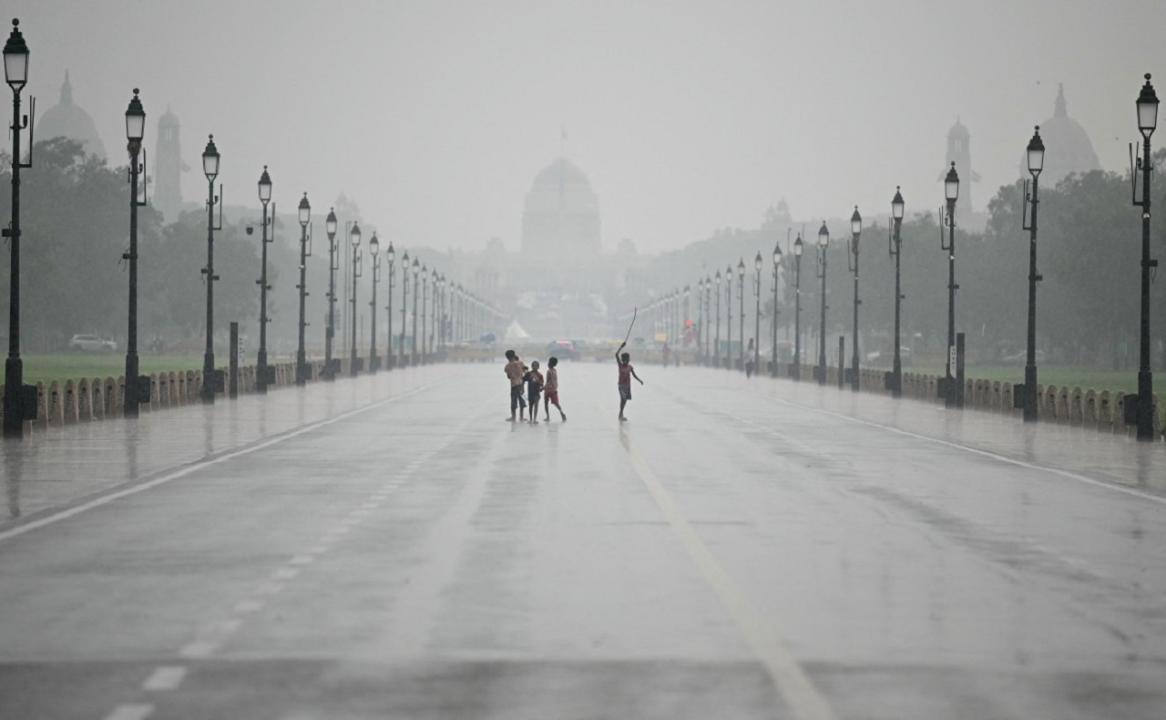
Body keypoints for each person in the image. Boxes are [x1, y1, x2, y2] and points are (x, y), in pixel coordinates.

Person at [615, 342, 644, 422]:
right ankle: (620, 414)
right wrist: (621, 347)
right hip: (621, 386)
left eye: (627, 360)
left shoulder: (630, 367)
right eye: (625, 360)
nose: (626, 361)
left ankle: (621, 413)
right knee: (623, 399)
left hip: (627, 386)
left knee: (624, 400)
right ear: (623, 360)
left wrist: (639, 380)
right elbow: (616, 355)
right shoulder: (620, 365)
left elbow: (634, 375)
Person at [504, 350, 526, 422]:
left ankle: (513, 417)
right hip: (521, 384)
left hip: (513, 385)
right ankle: (521, 417)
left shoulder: (507, 366)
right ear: (514, 355)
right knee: (521, 401)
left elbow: (508, 376)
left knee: (513, 401)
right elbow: (525, 371)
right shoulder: (520, 363)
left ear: (507, 357)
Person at [544, 356, 567, 422]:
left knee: (546, 403)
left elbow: (548, 381)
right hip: (554, 389)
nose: (548, 363)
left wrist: (543, 388)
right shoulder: (555, 370)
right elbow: (554, 380)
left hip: (548, 389)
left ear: (550, 363)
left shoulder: (548, 371)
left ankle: (548, 417)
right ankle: (562, 413)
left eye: (549, 362)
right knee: (556, 403)